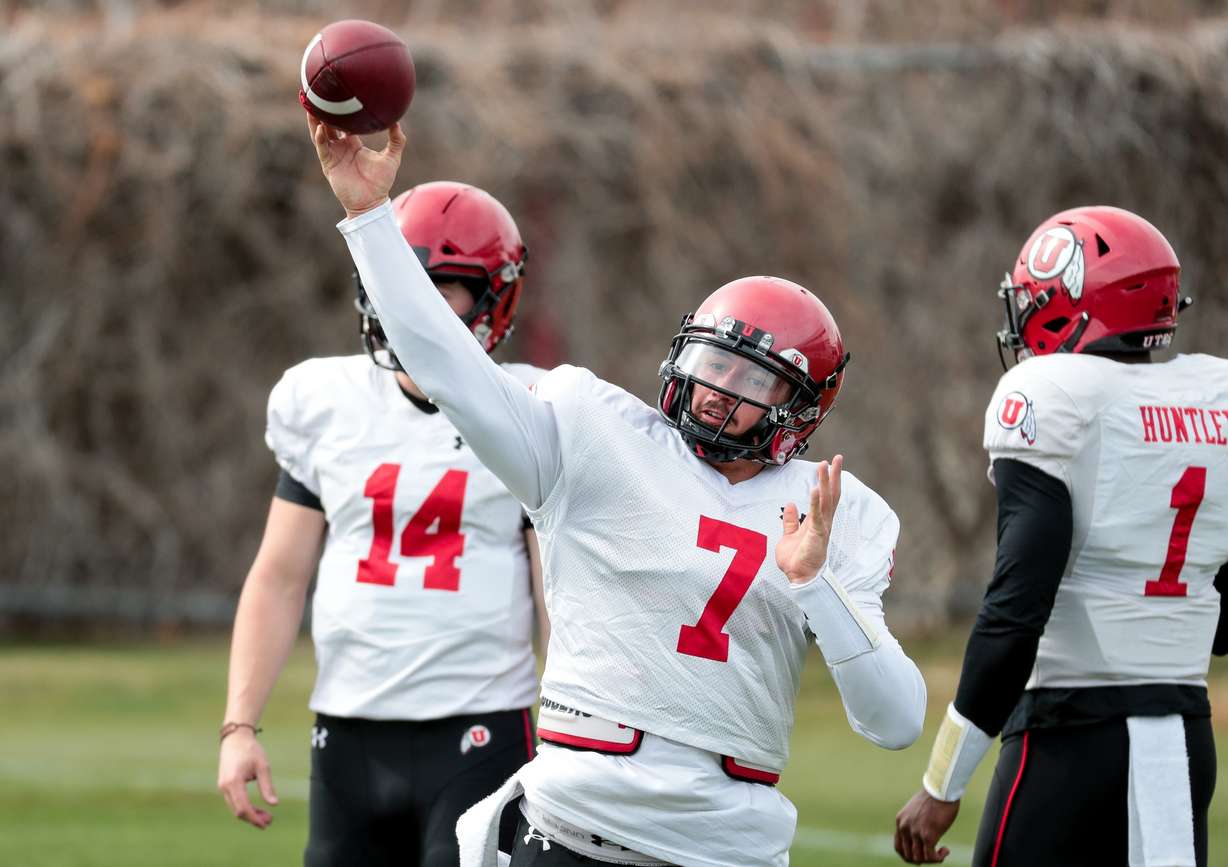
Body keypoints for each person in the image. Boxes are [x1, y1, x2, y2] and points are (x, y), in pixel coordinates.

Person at [308, 117, 926, 867]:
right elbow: (445, 364)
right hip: (573, 823)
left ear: (802, 408)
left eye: (749, 380)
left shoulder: (834, 510)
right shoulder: (597, 435)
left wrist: (816, 585)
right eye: (710, 362)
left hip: (725, 846)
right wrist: (369, 220)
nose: (713, 391)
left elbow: (894, 720)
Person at [216, 180, 550, 867]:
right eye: (404, 281)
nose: (415, 305)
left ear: (496, 297)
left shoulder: (530, 409)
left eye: (444, 287)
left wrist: (578, 734)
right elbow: (278, 578)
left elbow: (560, 599)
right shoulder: (323, 400)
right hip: (348, 731)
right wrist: (239, 724)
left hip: (481, 726)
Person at [894, 206, 1228, 867]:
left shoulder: (1054, 394)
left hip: (1071, 734)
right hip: (1185, 733)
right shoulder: (1214, 393)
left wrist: (943, 781)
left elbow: (1016, 610)